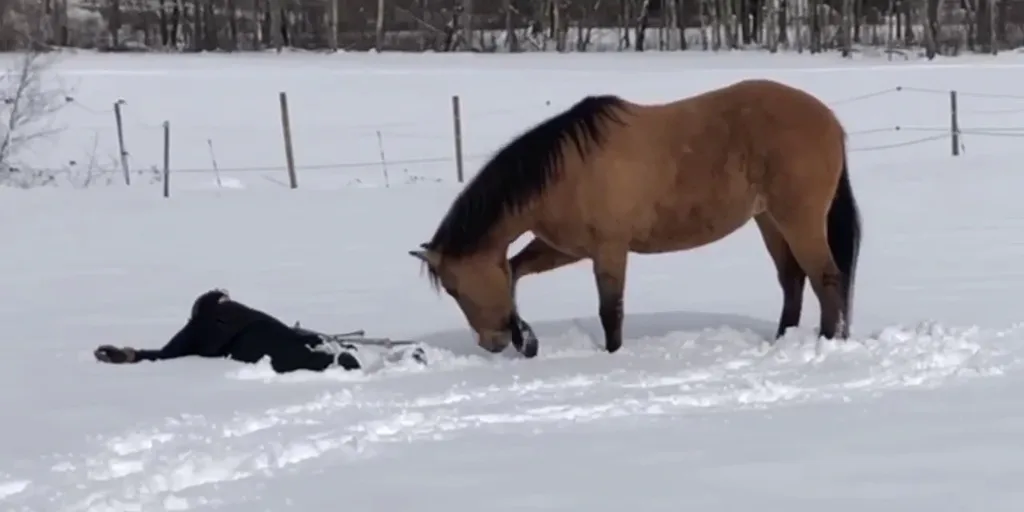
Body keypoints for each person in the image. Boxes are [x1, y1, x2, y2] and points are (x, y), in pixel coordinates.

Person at [94, 289, 391, 374]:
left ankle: (337, 362)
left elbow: (166, 355)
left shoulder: (197, 328)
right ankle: (342, 359)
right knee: (299, 351)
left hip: (248, 346)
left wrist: (130, 356)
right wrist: (314, 338)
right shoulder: (244, 312)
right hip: (266, 334)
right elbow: (286, 332)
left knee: (291, 359)